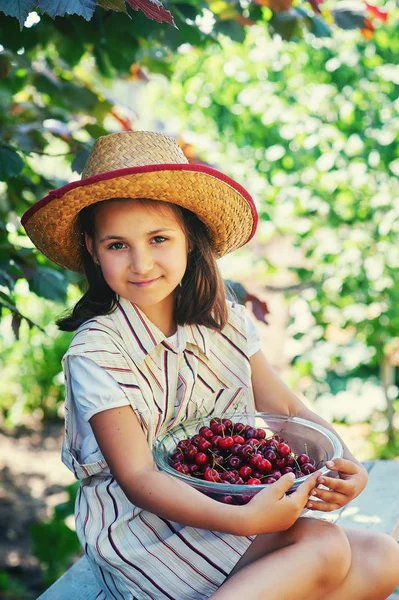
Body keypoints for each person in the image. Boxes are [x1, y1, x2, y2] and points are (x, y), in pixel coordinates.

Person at [22, 131, 399, 600]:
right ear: (93, 249)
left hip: (232, 502)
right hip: (150, 537)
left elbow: (279, 401)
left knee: (384, 557)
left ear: (190, 241)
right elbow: (139, 480)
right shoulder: (97, 351)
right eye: (118, 245)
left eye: (158, 239)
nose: (141, 263)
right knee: (324, 547)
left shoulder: (222, 314)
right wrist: (246, 519)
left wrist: (346, 464)